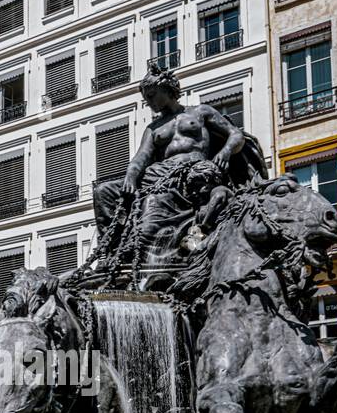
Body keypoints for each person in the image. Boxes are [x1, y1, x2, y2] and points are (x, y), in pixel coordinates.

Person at [92, 67, 266, 271]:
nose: (148, 101)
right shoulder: (153, 128)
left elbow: (236, 134)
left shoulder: (200, 112)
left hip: (192, 172)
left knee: (152, 208)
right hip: (158, 173)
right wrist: (130, 176)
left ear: (165, 89)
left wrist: (225, 152)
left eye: (151, 95)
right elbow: (141, 156)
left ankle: (148, 252)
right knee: (103, 192)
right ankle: (109, 253)